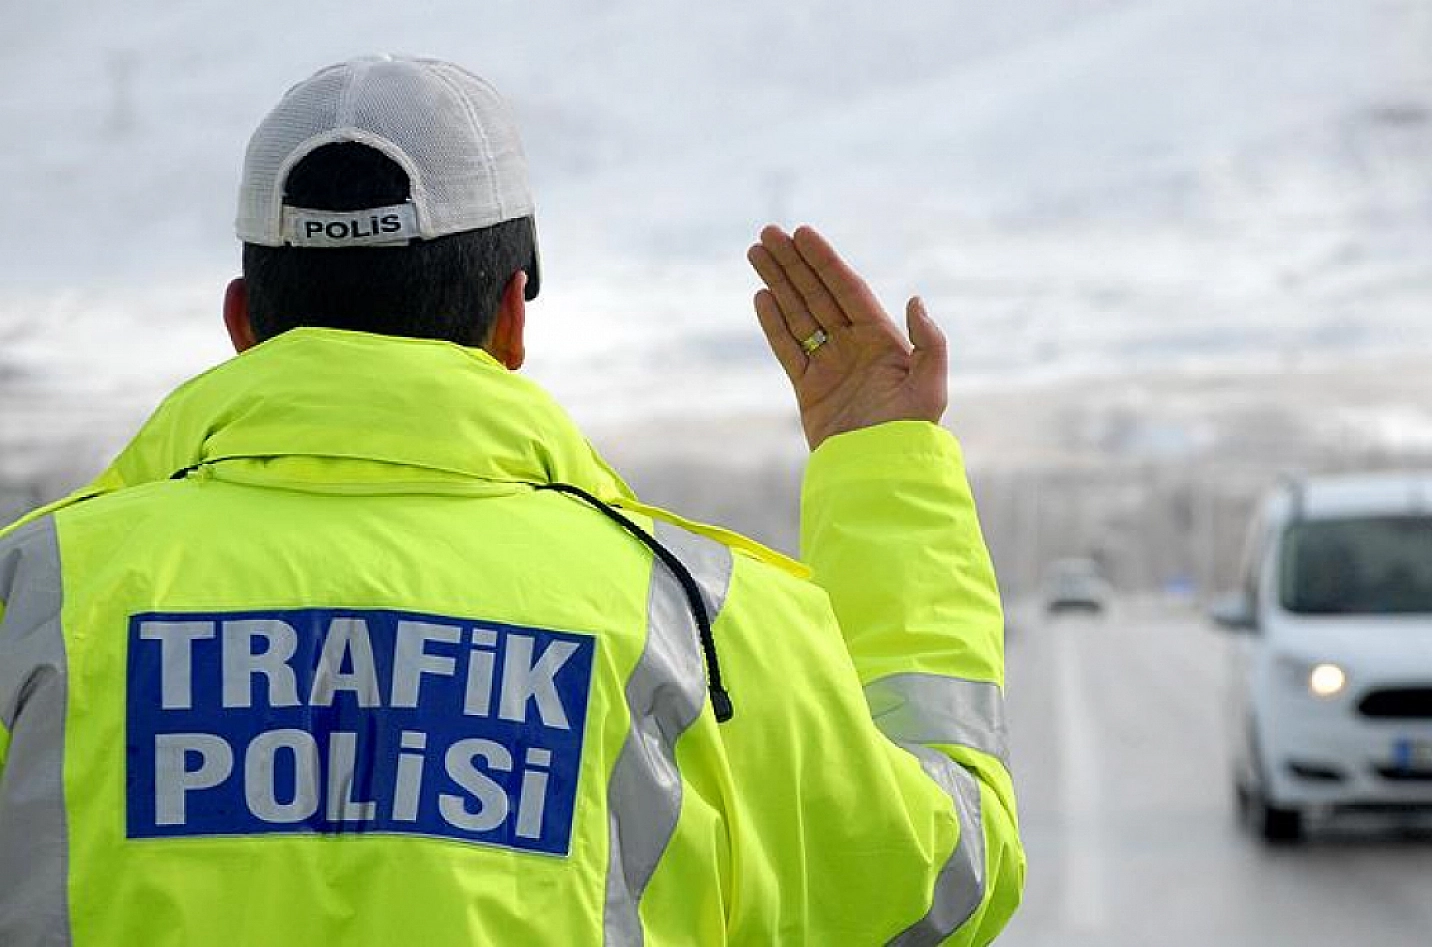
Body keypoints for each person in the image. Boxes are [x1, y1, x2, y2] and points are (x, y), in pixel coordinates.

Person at [0, 55, 1022, 945]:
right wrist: (878, 462)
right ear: (507, 318)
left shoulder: (32, 598)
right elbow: (936, 882)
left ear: (242, 319)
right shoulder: (692, 623)